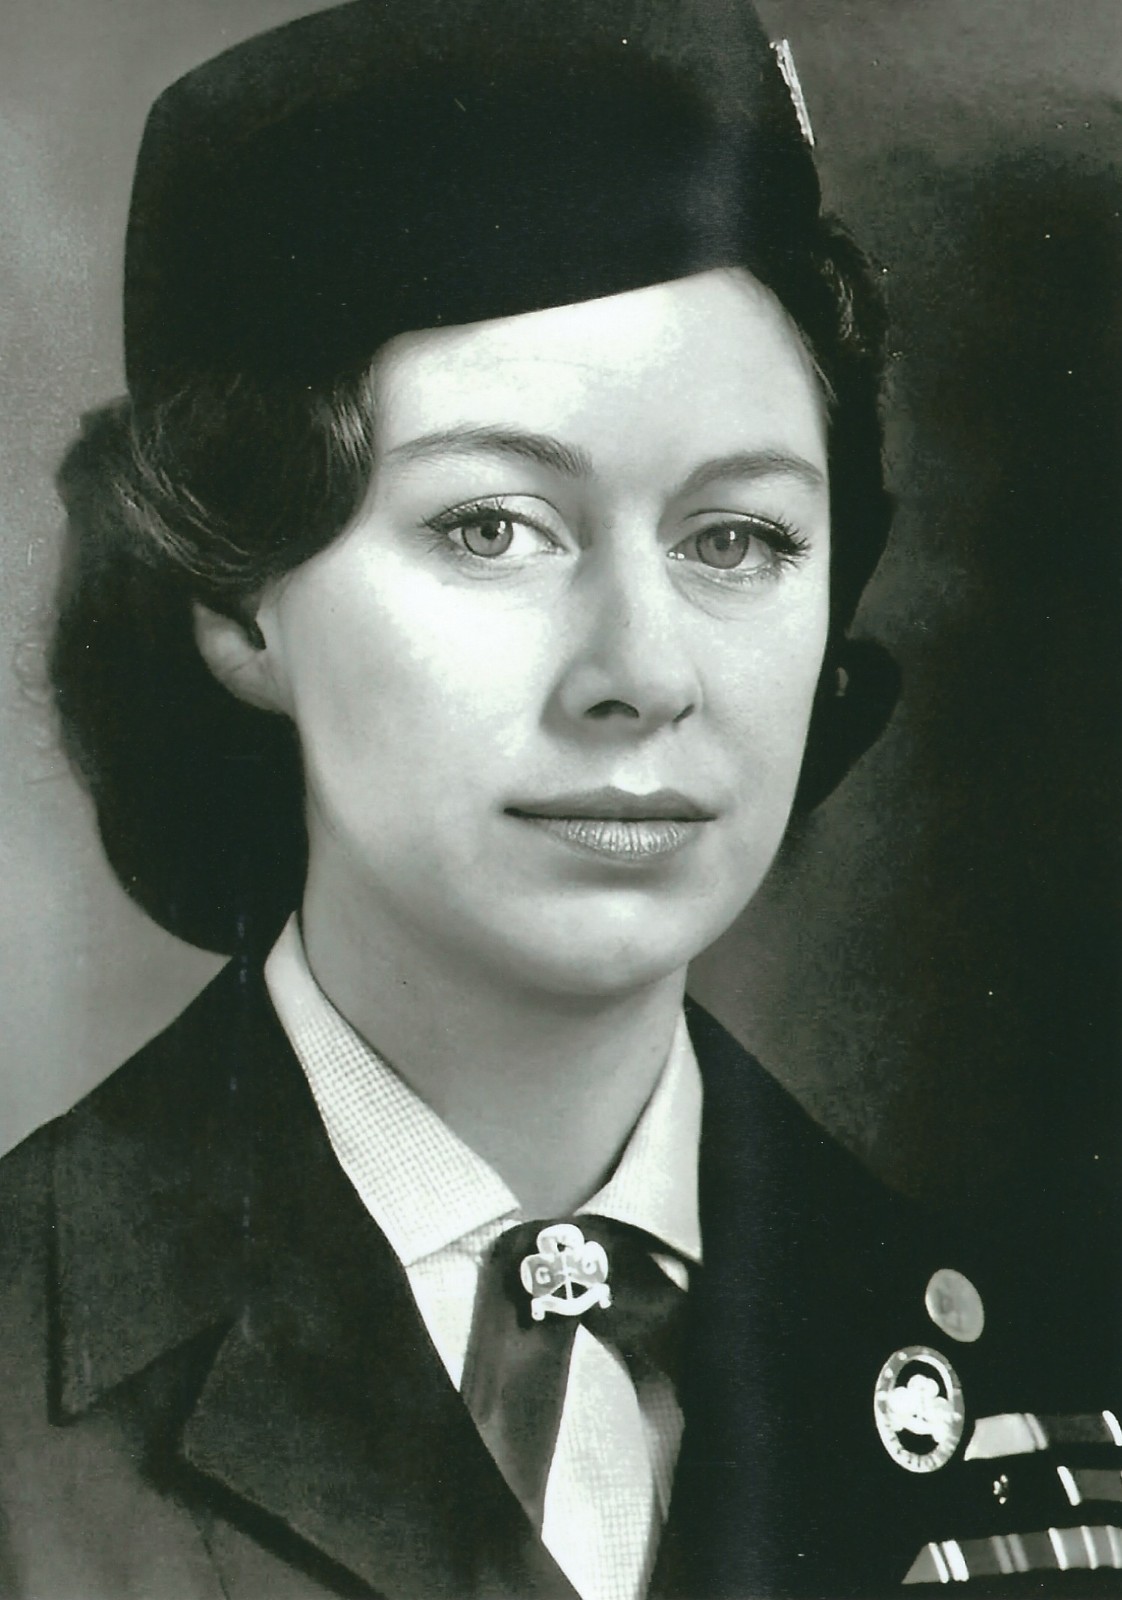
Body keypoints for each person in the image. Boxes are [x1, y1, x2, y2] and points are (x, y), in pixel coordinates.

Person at [1, 2, 1118, 1596]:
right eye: (492, 528)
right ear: (239, 603)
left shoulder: (1047, 1374)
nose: (641, 672)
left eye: (735, 538)